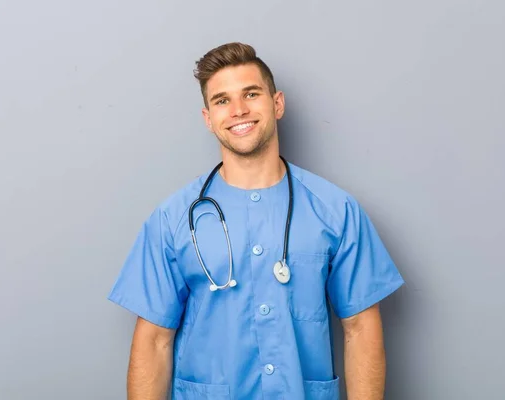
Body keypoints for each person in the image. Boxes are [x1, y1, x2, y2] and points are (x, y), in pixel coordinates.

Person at [108, 42, 404, 400]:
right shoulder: (172, 219)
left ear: (277, 104)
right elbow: (153, 340)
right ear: (208, 118)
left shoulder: (335, 210)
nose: (238, 110)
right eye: (222, 100)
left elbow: (360, 329)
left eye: (251, 94)